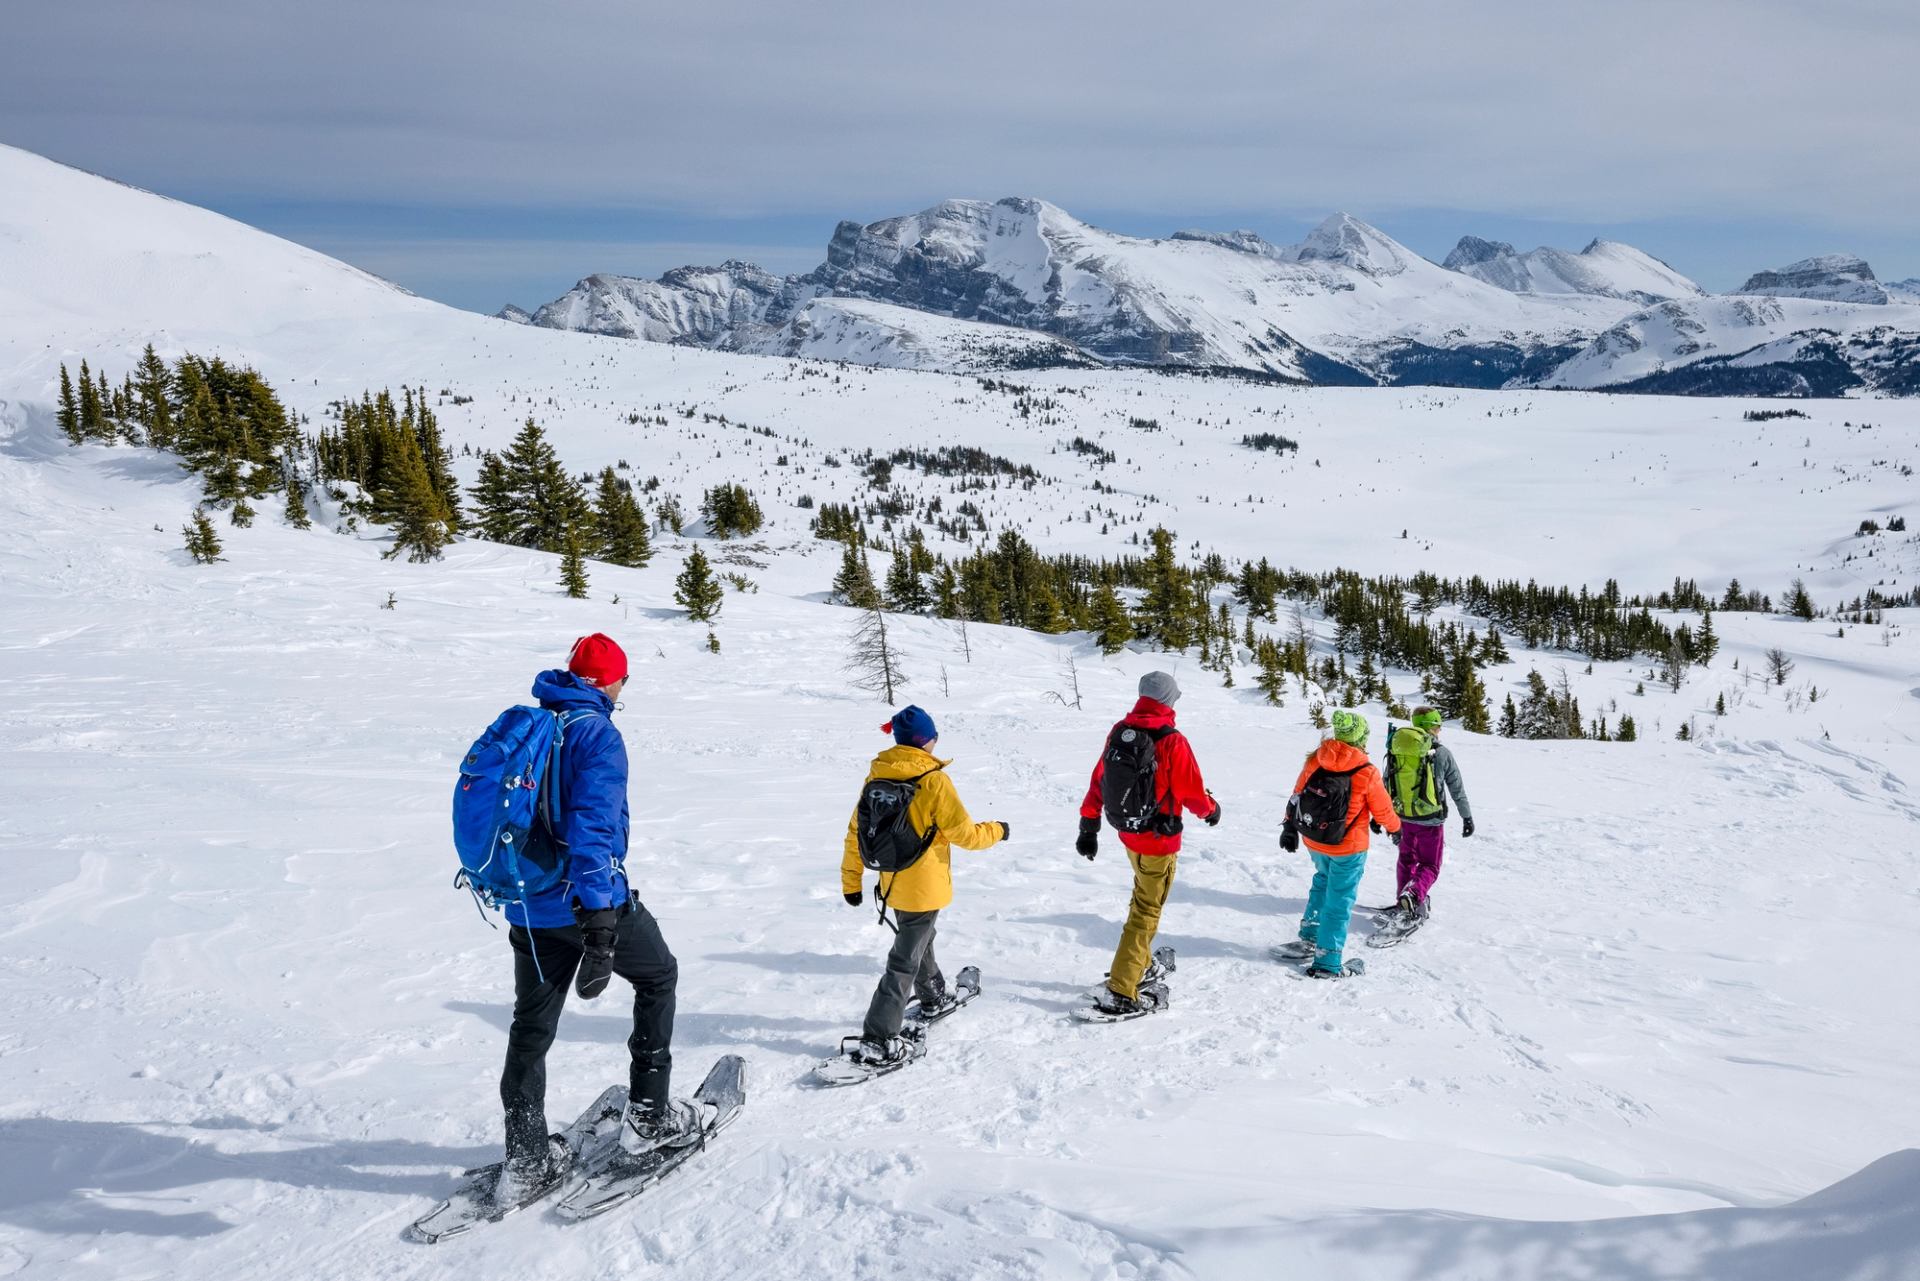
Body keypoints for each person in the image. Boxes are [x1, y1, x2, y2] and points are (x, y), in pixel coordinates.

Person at [496, 634, 693, 1201]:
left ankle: (528, 1156)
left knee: (530, 1027)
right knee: (658, 976)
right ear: (608, 682)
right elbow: (593, 830)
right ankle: (650, 1119)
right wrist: (600, 921)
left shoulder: (530, 728)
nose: (623, 689)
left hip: (528, 904)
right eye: (624, 680)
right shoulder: (596, 735)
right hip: (585, 900)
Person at [841, 705, 1008, 1066]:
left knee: (918, 939)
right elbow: (965, 835)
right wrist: (998, 830)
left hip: (892, 880)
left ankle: (932, 995)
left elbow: (856, 832)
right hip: (924, 885)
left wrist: (852, 881)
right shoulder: (933, 781)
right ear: (926, 741)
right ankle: (879, 1037)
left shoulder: (877, 777)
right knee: (903, 959)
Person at [1076, 671, 1221, 1014]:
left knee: (1141, 898)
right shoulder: (1171, 739)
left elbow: (1100, 778)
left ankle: (1136, 964)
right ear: (1169, 700)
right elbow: (1190, 791)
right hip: (1159, 840)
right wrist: (1211, 810)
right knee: (1145, 912)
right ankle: (1122, 989)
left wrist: (1089, 823)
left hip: (1128, 833)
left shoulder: (1121, 731)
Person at [1277, 709, 1399, 979]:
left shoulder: (1317, 759)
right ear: (1361, 737)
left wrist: (1289, 825)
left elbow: (1297, 795)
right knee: (1340, 900)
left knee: (1322, 881)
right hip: (1349, 847)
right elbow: (1383, 811)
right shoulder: (1366, 771)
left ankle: (1310, 936)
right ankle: (1328, 961)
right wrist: (1396, 829)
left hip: (1315, 839)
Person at [1389, 706, 1474, 922]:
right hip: (1431, 820)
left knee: (1406, 859)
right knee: (1430, 865)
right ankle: (1414, 894)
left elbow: (1386, 783)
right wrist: (1466, 816)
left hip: (1402, 816)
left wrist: (1379, 817)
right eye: (1438, 726)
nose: (1439, 731)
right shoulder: (1442, 753)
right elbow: (1456, 787)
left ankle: (1403, 899)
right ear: (1431, 727)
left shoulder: (1397, 747)